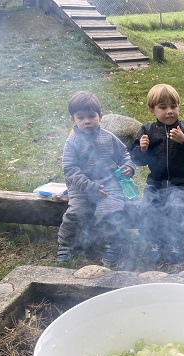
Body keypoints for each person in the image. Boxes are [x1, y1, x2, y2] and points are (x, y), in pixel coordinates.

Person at [57, 91, 136, 267]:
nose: (87, 121)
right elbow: (70, 170)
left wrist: (129, 167)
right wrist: (90, 187)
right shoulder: (72, 142)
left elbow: (124, 154)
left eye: (92, 116)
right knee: (76, 213)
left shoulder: (108, 137)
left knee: (110, 211)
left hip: (109, 184)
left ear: (99, 116)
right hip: (81, 188)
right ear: (73, 119)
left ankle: (114, 244)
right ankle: (65, 245)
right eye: (81, 117)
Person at [130, 83, 184, 264]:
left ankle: (177, 244)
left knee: (177, 208)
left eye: (173, 106)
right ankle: (154, 243)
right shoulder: (147, 130)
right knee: (147, 209)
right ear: (152, 110)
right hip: (156, 184)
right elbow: (138, 160)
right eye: (163, 107)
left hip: (182, 184)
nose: (169, 111)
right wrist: (141, 150)